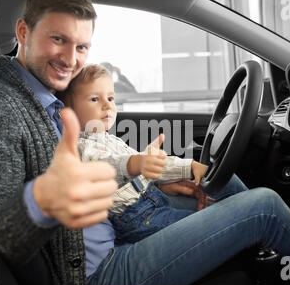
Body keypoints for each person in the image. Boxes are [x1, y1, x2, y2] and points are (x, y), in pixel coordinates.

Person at [0, 0, 290, 285]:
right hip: (99, 274)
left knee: (220, 182)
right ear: (23, 32)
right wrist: (45, 200)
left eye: (82, 46)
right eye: (58, 39)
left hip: (117, 228)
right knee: (265, 208)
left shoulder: (46, 100)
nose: (70, 60)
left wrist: (154, 182)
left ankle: (265, 260)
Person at [59, 64, 214, 244]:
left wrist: (186, 169)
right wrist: (138, 163)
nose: (107, 105)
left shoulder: (110, 140)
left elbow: (150, 166)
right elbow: (109, 166)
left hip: (152, 200)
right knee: (209, 225)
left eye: (110, 98)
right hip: (137, 218)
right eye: (95, 99)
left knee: (212, 210)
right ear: (69, 113)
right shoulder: (81, 148)